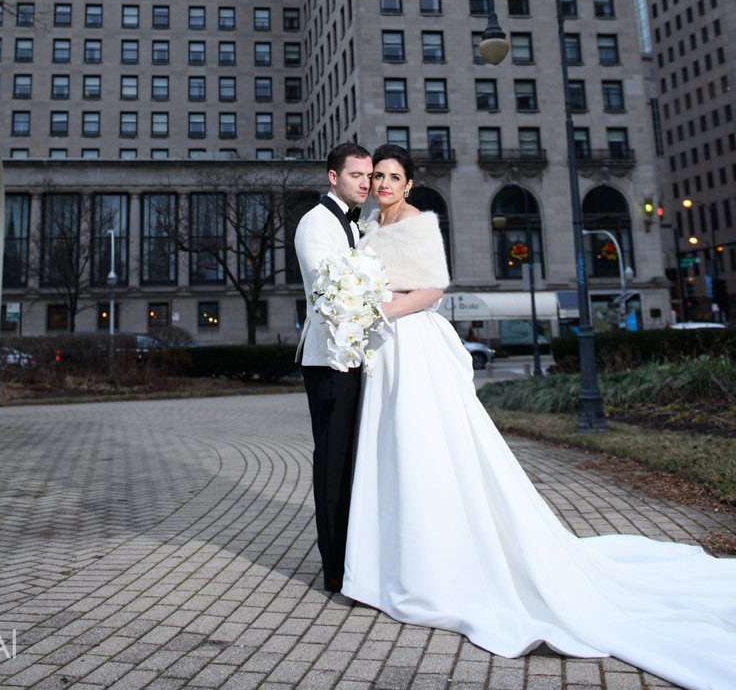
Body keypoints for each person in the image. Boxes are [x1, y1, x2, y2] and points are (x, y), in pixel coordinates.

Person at [343, 143, 736, 690]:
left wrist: (379, 308)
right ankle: (396, 558)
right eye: (378, 176)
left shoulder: (417, 222)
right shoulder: (368, 223)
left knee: (424, 447)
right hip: (386, 350)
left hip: (413, 345)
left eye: (393, 176)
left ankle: (435, 562)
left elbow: (434, 288)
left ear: (409, 184)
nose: (383, 184)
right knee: (393, 448)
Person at [294, 140, 373, 592]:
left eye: (368, 176)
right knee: (332, 463)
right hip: (328, 360)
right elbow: (332, 289)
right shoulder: (315, 223)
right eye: (356, 175)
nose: (365, 183)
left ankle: (350, 558)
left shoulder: (355, 225)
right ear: (333, 177)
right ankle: (334, 571)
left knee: (349, 462)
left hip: (353, 357)